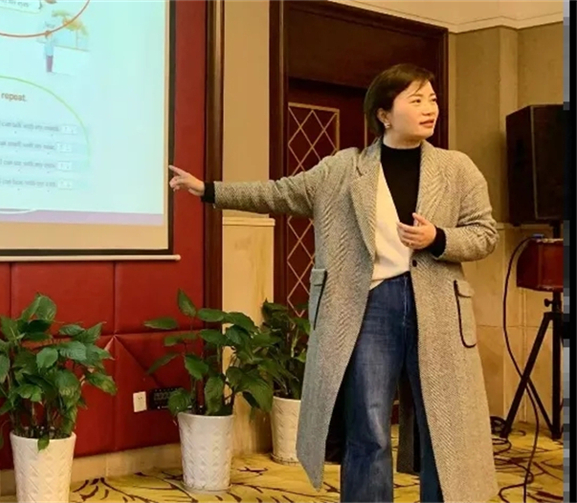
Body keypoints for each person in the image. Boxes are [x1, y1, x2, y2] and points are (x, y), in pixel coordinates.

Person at [168, 63, 499, 503]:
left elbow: (485, 234)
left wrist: (438, 238)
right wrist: (209, 190)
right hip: (368, 306)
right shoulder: (343, 169)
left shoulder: (456, 169)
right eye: (416, 99)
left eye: (432, 99)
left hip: (437, 306)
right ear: (384, 114)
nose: (429, 109)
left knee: (443, 427)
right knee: (368, 425)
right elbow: (279, 193)